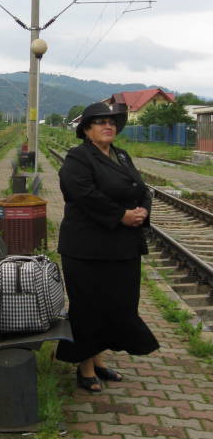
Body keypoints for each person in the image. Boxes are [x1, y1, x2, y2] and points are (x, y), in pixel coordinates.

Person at [55, 102, 159, 393]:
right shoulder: (78, 158)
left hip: (122, 248)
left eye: (112, 122)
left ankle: (98, 360)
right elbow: (83, 194)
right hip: (87, 248)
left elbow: (142, 189)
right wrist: (120, 215)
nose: (108, 126)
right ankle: (84, 368)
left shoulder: (122, 156)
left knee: (117, 305)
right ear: (87, 129)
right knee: (89, 307)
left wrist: (142, 211)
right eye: (100, 122)